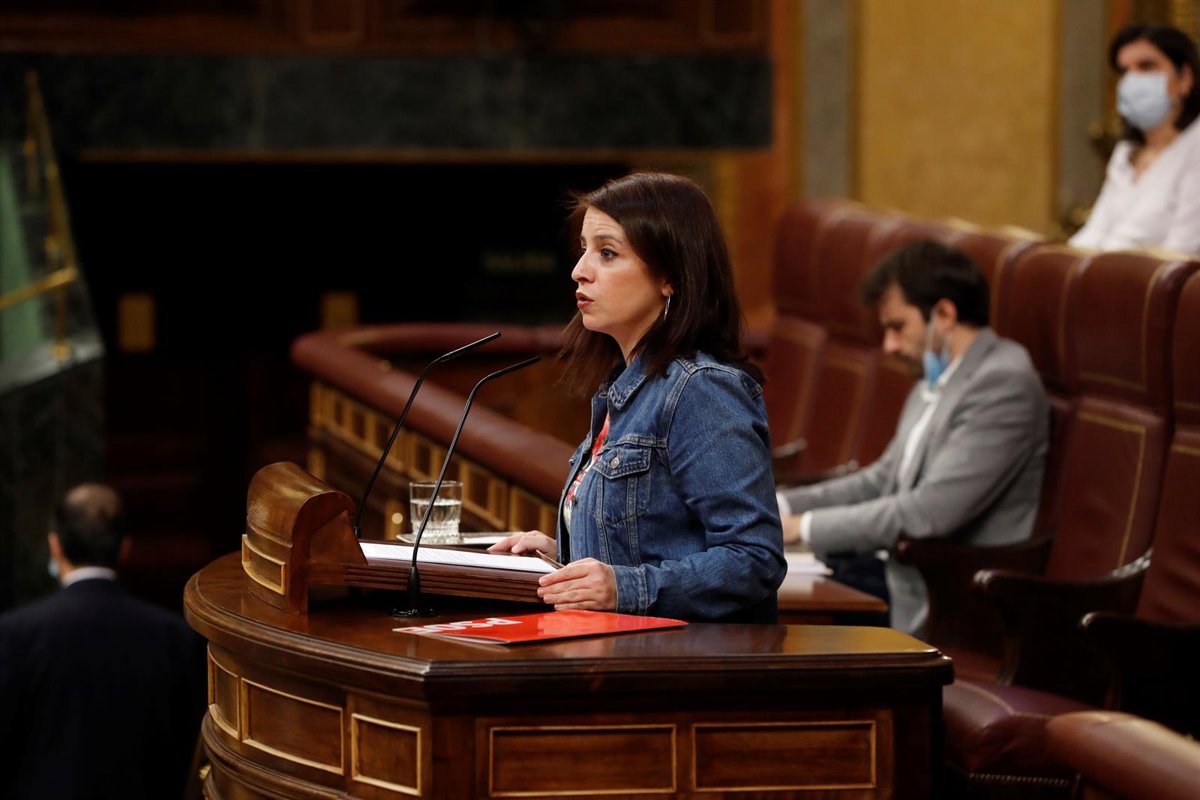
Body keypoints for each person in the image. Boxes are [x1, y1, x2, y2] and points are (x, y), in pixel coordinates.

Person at [490, 172, 786, 623]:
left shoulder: (701, 389)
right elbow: (649, 542)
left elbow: (754, 558)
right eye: (583, 249)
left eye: (607, 253)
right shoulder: (624, 388)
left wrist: (622, 587)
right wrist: (561, 563)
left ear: (670, 277)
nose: (579, 270)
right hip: (622, 648)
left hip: (682, 659)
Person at [777, 240, 1048, 637]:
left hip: (947, 599)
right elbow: (881, 480)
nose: (889, 346)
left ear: (944, 315)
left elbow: (927, 513)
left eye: (897, 327)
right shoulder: (937, 374)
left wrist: (800, 528)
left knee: (769, 608)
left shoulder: (1003, 384)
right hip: (892, 572)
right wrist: (779, 506)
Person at [0, 483, 206, 800]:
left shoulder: (15, 633)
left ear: (55, 545)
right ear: (125, 548)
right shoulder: (175, 636)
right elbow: (187, 747)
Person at [1069, 24, 1200, 254]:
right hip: (1107, 270)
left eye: (1146, 66)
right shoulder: (1126, 150)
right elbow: (1095, 232)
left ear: (1185, 78)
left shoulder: (1195, 146)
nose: (1132, 80)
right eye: (1124, 71)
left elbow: (1183, 251)